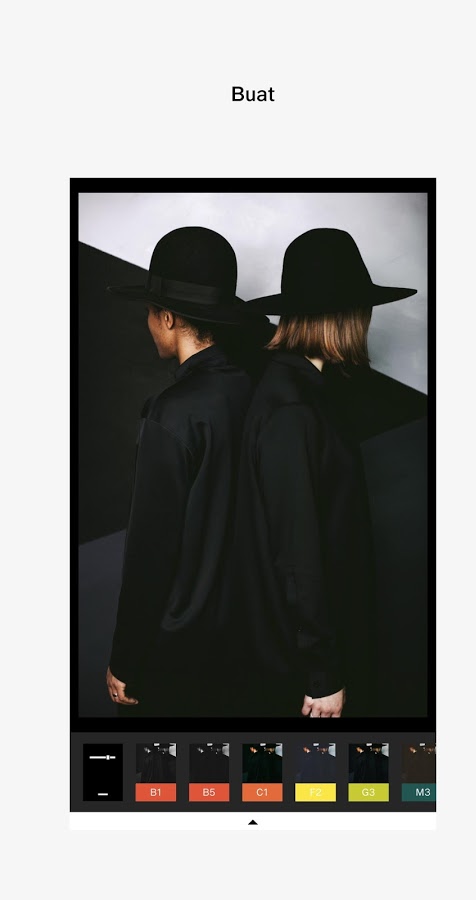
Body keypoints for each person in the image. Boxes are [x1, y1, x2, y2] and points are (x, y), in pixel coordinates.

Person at [229, 228, 417, 717]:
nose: (367, 321)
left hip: (322, 642)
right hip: (306, 667)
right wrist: (322, 673)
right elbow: (297, 551)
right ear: (347, 316)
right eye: (363, 310)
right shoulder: (292, 406)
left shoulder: (305, 389)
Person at [105, 226, 266, 716]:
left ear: (168, 318)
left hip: (176, 651)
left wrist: (125, 659)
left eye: (150, 313)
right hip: (249, 642)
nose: (148, 324)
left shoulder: (172, 412)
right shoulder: (257, 389)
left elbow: (151, 551)